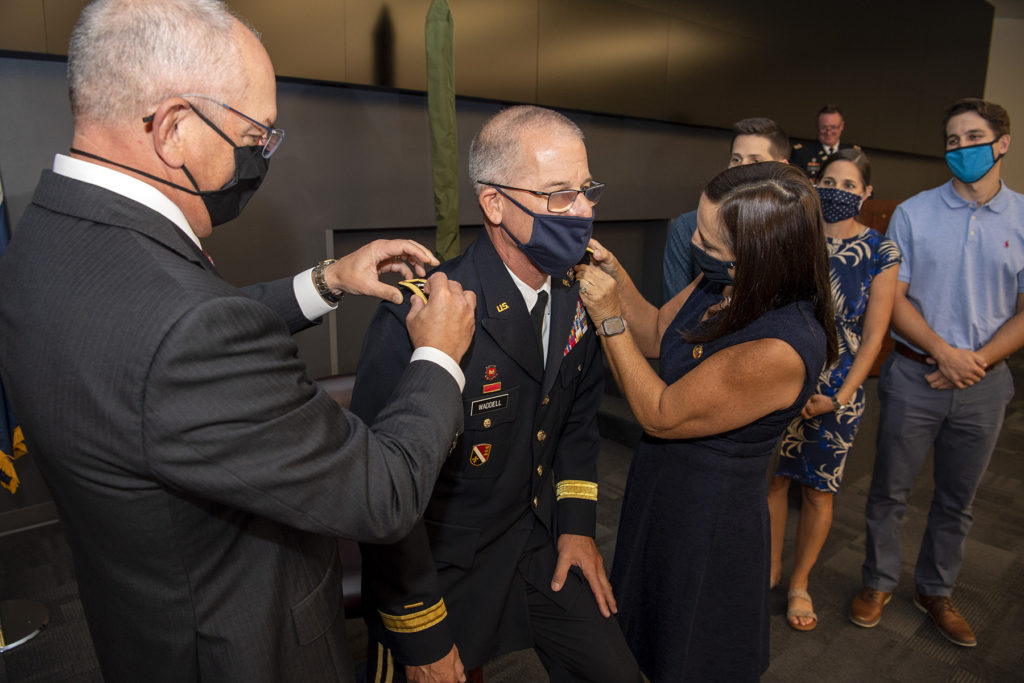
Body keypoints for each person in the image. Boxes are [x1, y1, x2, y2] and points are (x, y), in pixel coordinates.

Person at [0, 1, 478, 681]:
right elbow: (383, 490)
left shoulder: (46, 236)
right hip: (241, 649)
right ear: (172, 128)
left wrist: (326, 281)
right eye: (255, 133)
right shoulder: (184, 328)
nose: (263, 155)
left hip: (141, 622)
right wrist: (438, 355)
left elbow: (164, 340)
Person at [349, 105, 642, 683]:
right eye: (558, 194)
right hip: (438, 564)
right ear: (494, 204)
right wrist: (421, 632)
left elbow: (578, 423)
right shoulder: (419, 314)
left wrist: (578, 524)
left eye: (586, 190)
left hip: (532, 535)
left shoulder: (576, 295)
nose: (582, 210)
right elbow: (377, 493)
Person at [576, 162, 837, 681]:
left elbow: (660, 414)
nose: (693, 240)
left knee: (691, 648)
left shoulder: (782, 345)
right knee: (645, 630)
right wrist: (614, 272)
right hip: (663, 486)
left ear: (755, 259)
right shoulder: (720, 277)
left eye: (709, 240)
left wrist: (606, 316)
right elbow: (652, 332)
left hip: (708, 516)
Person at [851, 98, 1024, 648]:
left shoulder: (1023, 217)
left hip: (986, 383)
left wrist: (976, 361)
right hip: (915, 374)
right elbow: (892, 298)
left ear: (1002, 143)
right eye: (952, 140)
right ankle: (877, 582)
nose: (961, 148)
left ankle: (935, 590)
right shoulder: (913, 213)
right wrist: (944, 352)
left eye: (973, 137)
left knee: (958, 499)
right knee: (888, 492)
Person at [769, 149, 900, 631]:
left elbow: (874, 335)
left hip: (839, 389)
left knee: (819, 493)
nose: (837, 192)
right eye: (830, 182)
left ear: (865, 193)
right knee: (774, 480)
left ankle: (799, 583)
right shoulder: (794, 238)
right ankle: (770, 568)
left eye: (849, 186)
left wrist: (839, 396)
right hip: (784, 375)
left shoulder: (882, 251)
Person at [662, 117, 791, 300]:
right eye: (736, 159)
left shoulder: (794, 229)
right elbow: (672, 315)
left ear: (781, 167)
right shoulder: (688, 227)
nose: (741, 168)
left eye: (755, 162)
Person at [790, 105, 859, 177]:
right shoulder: (802, 153)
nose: (828, 132)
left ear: (842, 126)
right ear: (817, 126)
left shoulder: (853, 153)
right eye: (824, 127)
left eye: (833, 127)